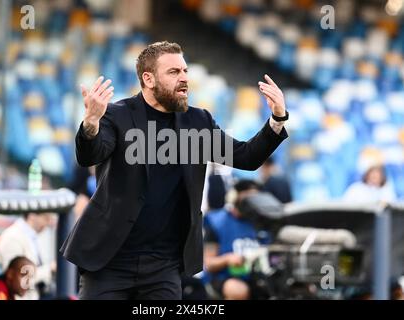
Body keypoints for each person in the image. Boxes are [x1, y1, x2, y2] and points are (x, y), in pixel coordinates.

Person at [60, 41, 289, 300]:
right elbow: (90, 153)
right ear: (148, 79)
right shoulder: (117, 115)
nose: (183, 79)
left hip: (163, 265)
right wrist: (91, 123)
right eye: (174, 72)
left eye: (185, 71)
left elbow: (246, 157)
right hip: (110, 260)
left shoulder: (198, 122)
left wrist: (277, 120)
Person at [203, 179, 264, 300]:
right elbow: (208, 263)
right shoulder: (217, 222)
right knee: (238, 291)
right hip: (225, 278)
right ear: (234, 197)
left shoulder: (261, 222)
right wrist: (227, 259)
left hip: (258, 277)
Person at [0, 212, 54, 299]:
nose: (48, 222)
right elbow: (16, 278)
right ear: (32, 215)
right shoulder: (13, 237)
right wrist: (49, 270)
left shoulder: (31, 236)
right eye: (45, 218)